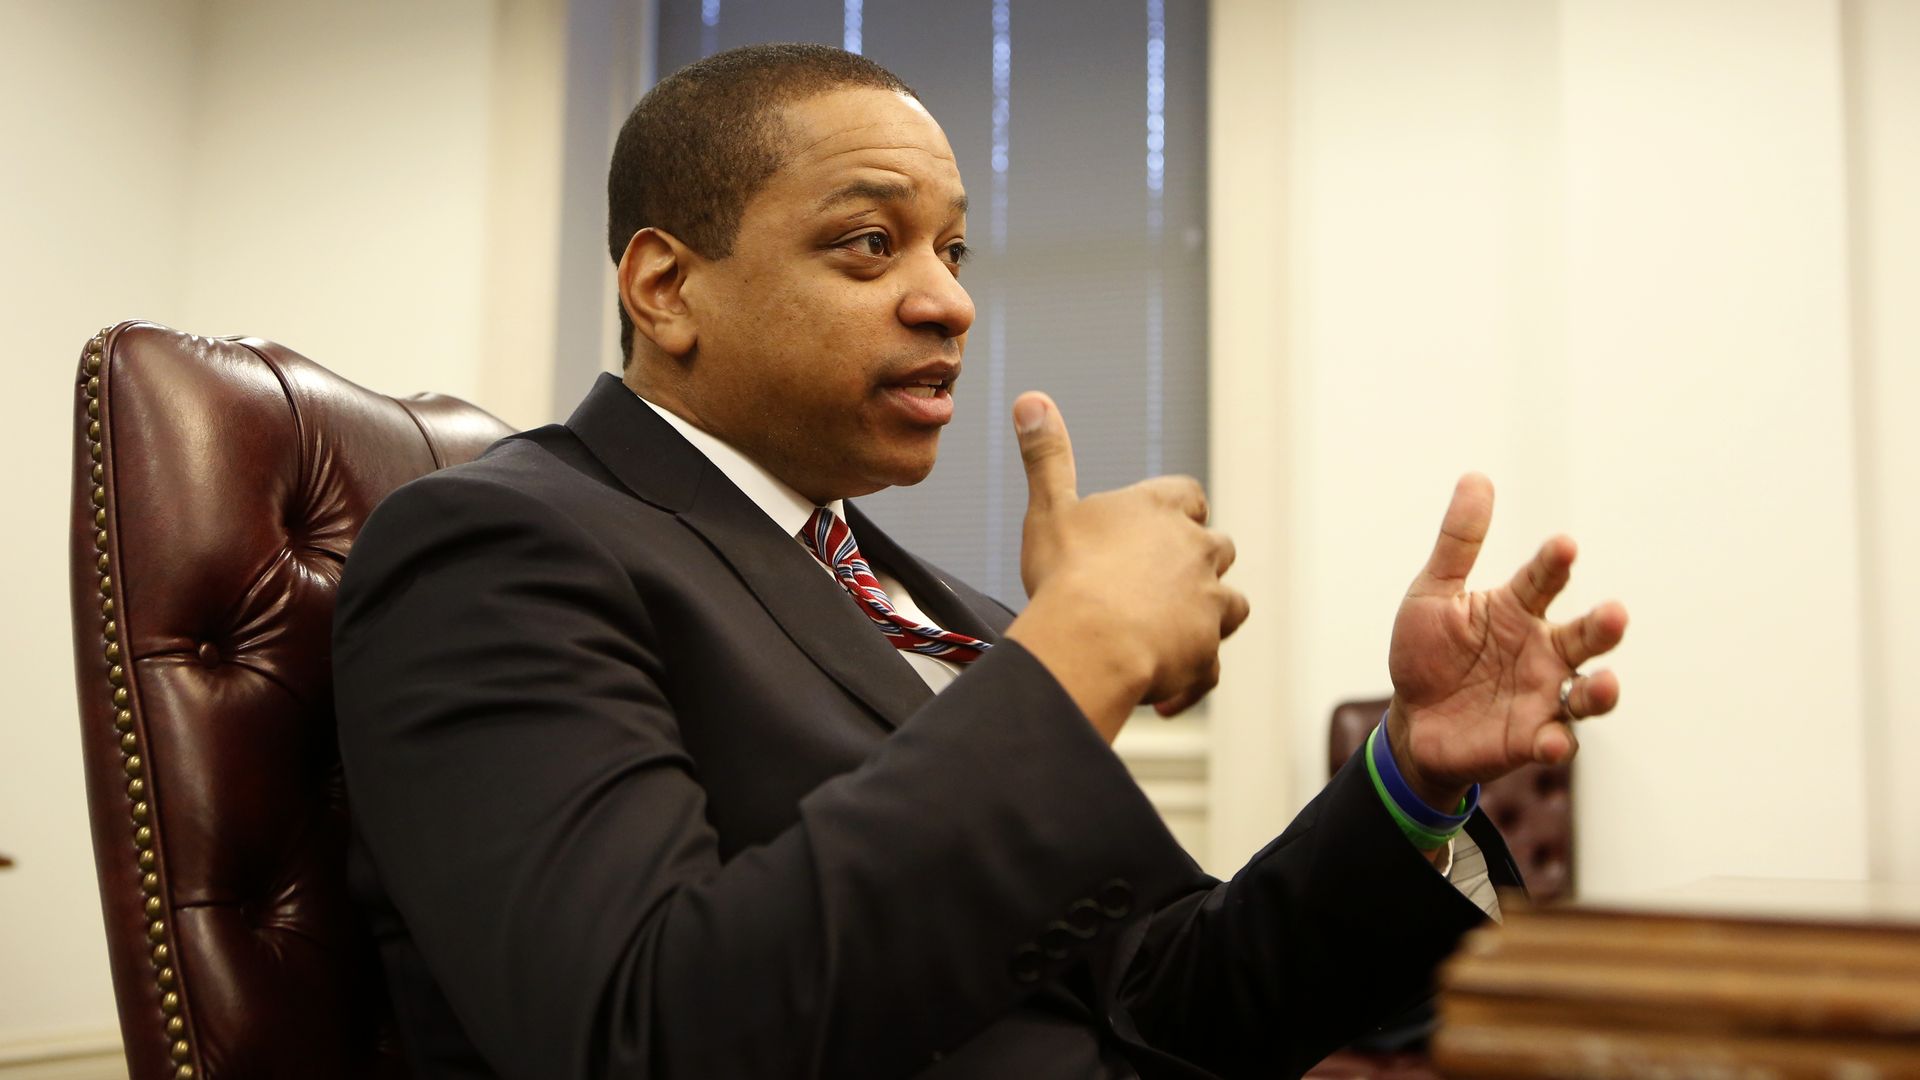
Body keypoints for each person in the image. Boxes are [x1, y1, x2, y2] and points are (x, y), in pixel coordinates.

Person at [333, 43, 1628, 1080]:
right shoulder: (501, 547)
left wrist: (1410, 781)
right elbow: (642, 1037)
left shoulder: (942, 609)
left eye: (953, 251)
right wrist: (1079, 654)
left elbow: (1168, 1007)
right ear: (665, 289)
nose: (948, 299)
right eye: (868, 243)